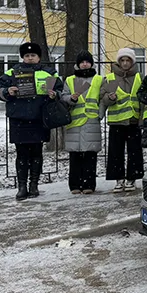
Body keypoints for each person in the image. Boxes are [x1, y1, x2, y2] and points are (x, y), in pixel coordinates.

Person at [0, 42, 63, 200]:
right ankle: (22, 186)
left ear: (39, 57)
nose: (30, 58)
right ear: (22, 57)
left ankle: (34, 185)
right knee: (21, 154)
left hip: (39, 118)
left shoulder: (48, 73)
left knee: (37, 153)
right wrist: (7, 91)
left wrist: (54, 95)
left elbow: (60, 89)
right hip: (19, 119)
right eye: (27, 55)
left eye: (33, 55)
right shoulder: (12, 73)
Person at [61, 51, 104, 194]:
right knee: (75, 155)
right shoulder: (70, 79)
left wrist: (100, 114)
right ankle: (74, 185)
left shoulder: (99, 79)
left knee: (90, 154)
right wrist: (71, 99)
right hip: (74, 121)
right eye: (82, 62)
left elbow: (103, 99)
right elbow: (63, 97)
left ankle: (89, 185)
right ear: (78, 64)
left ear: (91, 63)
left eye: (87, 61)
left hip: (92, 121)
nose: (85, 64)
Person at [105, 48, 144, 192]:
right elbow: (103, 98)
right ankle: (118, 179)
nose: (125, 63)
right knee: (116, 152)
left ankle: (132, 179)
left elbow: (142, 100)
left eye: (128, 60)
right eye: (122, 60)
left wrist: (142, 119)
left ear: (132, 62)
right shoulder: (110, 78)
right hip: (117, 121)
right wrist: (109, 98)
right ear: (119, 62)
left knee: (134, 151)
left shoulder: (139, 77)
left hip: (133, 120)